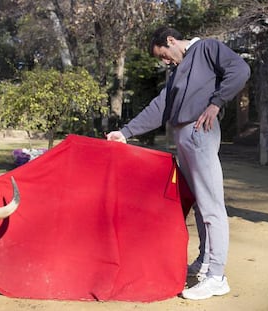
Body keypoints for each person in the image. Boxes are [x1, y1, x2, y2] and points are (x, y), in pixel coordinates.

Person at [107, 26, 250, 300]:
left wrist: (216, 103)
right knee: (198, 204)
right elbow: (159, 107)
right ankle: (205, 262)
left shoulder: (207, 48)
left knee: (211, 206)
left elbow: (241, 70)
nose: (165, 61)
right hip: (183, 137)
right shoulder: (178, 72)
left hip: (200, 133)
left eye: (164, 54)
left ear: (171, 40)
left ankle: (217, 276)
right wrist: (125, 133)